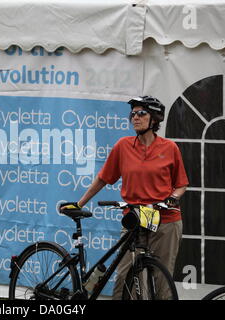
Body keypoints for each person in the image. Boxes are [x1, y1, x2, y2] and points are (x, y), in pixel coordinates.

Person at [60, 95, 189, 299]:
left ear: (154, 119)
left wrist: (173, 197)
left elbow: (181, 184)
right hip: (135, 218)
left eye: (141, 113)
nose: (135, 117)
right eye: (133, 114)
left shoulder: (169, 148)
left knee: (161, 281)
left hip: (165, 220)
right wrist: (79, 203)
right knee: (124, 277)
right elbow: (103, 179)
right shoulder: (123, 146)